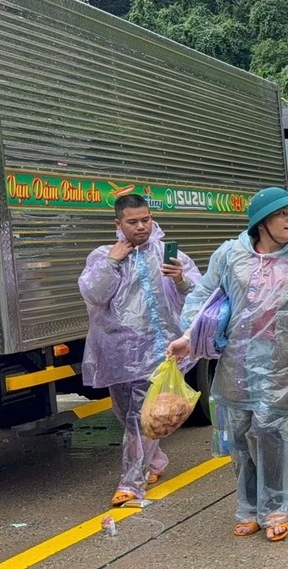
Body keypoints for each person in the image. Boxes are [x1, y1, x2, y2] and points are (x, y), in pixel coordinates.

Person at [167, 187, 288, 542]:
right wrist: (188, 338)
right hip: (236, 362)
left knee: (268, 429)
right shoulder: (231, 256)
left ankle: (276, 507)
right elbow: (206, 299)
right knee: (238, 434)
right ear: (261, 222)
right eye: (283, 214)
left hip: (283, 365)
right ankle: (248, 507)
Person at [79, 193, 201, 507]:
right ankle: (156, 461)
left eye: (145, 219)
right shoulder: (103, 256)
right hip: (118, 353)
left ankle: (131, 484)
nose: (141, 226)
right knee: (125, 414)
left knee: (139, 417)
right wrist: (111, 262)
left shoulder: (169, 255)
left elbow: (201, 296)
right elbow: (94, 295)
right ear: (118, 224)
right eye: (133, 221)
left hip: (158, 353)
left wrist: (182, 280)